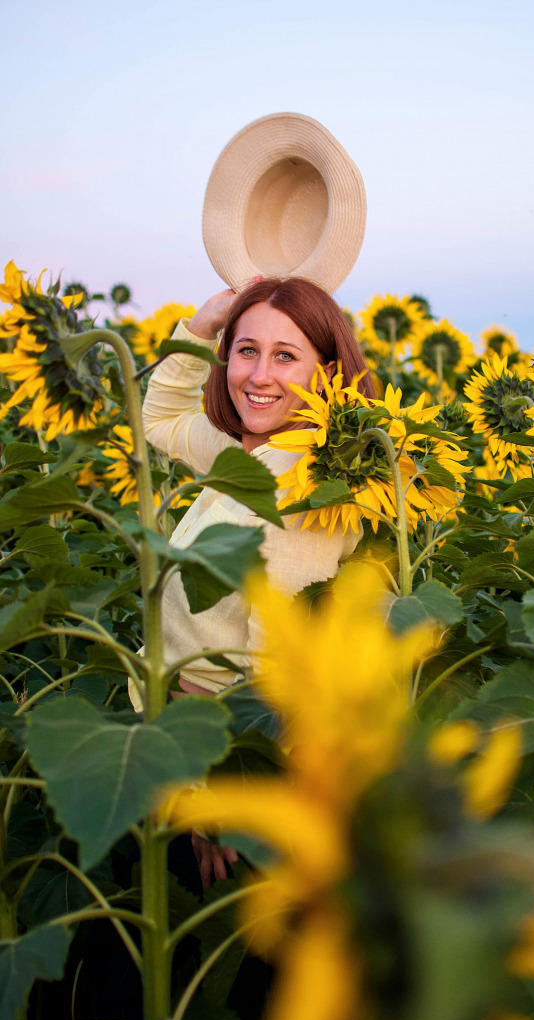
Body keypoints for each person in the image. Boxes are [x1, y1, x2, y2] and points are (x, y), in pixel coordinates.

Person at [139, 275, 374, 886]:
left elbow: (273, 664)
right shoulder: (245, 455)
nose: (259, 375)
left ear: (328, 374)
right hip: (172, 751)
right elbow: (160, 418)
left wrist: (215, 794)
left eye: (286, 356)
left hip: (225, 775)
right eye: (247, 350)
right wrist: (203, 323)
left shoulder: (308, 487)